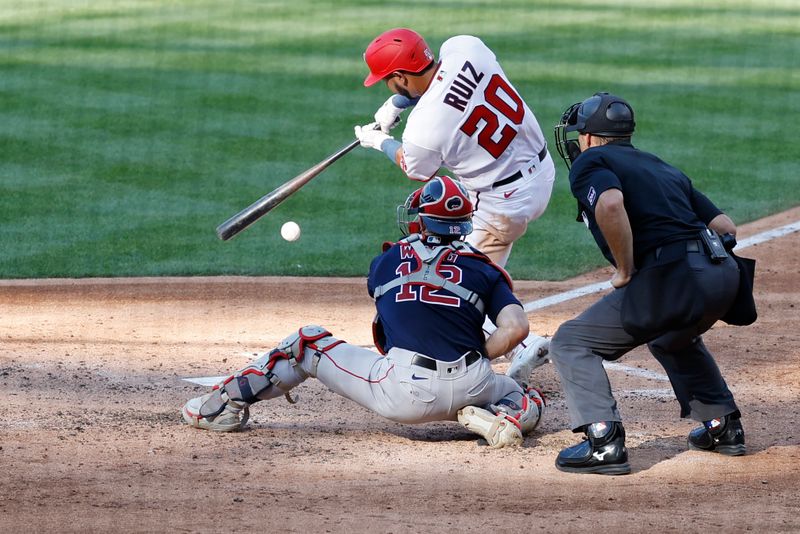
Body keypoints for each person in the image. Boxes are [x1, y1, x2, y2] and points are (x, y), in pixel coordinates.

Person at [182, 175, 545, 448]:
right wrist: (478, 356)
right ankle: (500, 415)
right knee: (524, 394)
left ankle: (218, 407)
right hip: (473, 383)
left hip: (405, 393)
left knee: (308, 343)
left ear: (421, 220)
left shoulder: (386, 261)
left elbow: (390, 323)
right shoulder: (483, 267)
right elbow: (516, 328)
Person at [549, 92, 748, 475]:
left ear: (589, 136)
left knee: (572, 341)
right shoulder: (660, 165)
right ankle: (723, 426)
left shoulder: (592, 161)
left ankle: (603, 441)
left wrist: (627, 270)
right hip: (724, 275)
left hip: (675, 277)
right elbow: (725, 228)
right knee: (672, 334)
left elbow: (609, 204)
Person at [354, 28, 554, 384]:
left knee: (450, 283)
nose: (387, 86)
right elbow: (447, 87)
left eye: (388, 81)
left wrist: (378, 140)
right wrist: (400, 102)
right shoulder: (465, 47)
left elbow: (412, 167)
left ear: (399, 76)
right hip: (539, 170)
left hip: (502, 205)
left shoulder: (423, 129)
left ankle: (522, 345)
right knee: (463, 249)